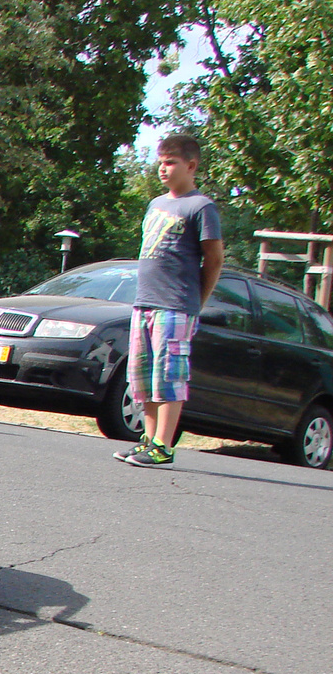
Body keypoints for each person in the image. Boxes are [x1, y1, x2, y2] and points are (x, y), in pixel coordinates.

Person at [115, 133, 223, 467]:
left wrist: (197, 301)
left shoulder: (201, 207)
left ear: (191, 166)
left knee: (168, 376)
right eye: (161, 162)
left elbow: (214, 258)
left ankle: (164, 445)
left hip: (175, 305)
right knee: (143, 376)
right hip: (145, 302)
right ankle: (148, 440)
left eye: (171, 162)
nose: (164, 169)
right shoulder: (156, 204)